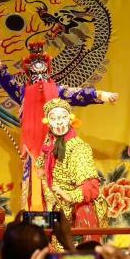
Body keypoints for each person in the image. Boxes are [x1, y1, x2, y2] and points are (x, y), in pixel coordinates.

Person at [0, 39, 117, 209]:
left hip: (56, 147)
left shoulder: (57, 91)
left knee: (57, 186)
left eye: (43, 71)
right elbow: (5, 80)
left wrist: (102, 95)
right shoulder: (23, 92)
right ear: (28, 73)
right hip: (32, 149)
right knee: (34, 188)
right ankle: (35, 219)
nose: (39, 79)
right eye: (34, 71)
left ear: (48, 71)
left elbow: (79, 94)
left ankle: (59, 215)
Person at [36, 98, 107, 241]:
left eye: (63, 117)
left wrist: (69, 196)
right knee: (30, 227)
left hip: (74, 209)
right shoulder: (50, 142)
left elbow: (91, 185)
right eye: (54, 118)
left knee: (74, 251)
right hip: (54, 206)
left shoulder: (78, 148)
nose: (59, 122)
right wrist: (40, 168)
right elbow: (42, 161)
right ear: (48, 122)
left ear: (70, 119)